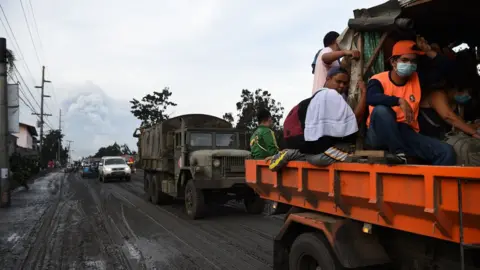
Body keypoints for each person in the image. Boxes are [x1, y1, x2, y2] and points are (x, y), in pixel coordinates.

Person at [365, 38, 456, 165]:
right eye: (405, 60)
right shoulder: (378, 80)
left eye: (413, 61)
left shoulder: (417, 79)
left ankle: (430, 184)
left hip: (405, 132)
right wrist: (399, 101)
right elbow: (371, 98)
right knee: (381, 110)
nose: (409, 64)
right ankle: (399, 153)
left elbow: (447, 68)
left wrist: (428, 51)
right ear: (393, 62)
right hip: (379, 133)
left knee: (447, 152)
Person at [303, 67, 366, 165]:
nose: (341, 86)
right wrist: (364, 93)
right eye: (338, 81)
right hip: (324, 155)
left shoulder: (316, 96)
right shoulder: (332, 95)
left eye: (345, 83)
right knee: (354, 155)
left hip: (310, 155)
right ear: (328, 79)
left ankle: (292, 153)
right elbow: (356, 119)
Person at [312, 31, 360, 95]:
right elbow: (325, 57)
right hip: (324, 96)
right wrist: (345, 52)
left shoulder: (336, 60)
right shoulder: (327, 50)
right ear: (337, 41)